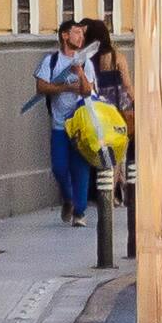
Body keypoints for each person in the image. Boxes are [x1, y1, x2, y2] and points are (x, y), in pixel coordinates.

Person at [35, 19, 102, 223]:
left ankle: (79, 212)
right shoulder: (51, 62)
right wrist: (64, 87)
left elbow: (88, 90)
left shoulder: (86, 62)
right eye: (77, 33)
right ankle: (68, 198)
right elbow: (41, 87)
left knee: (80, 167)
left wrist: (80, 73)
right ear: (65, 35)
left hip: (80, 126)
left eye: (82, 34)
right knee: (59, 167)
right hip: (59, 125)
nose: (81, 37)